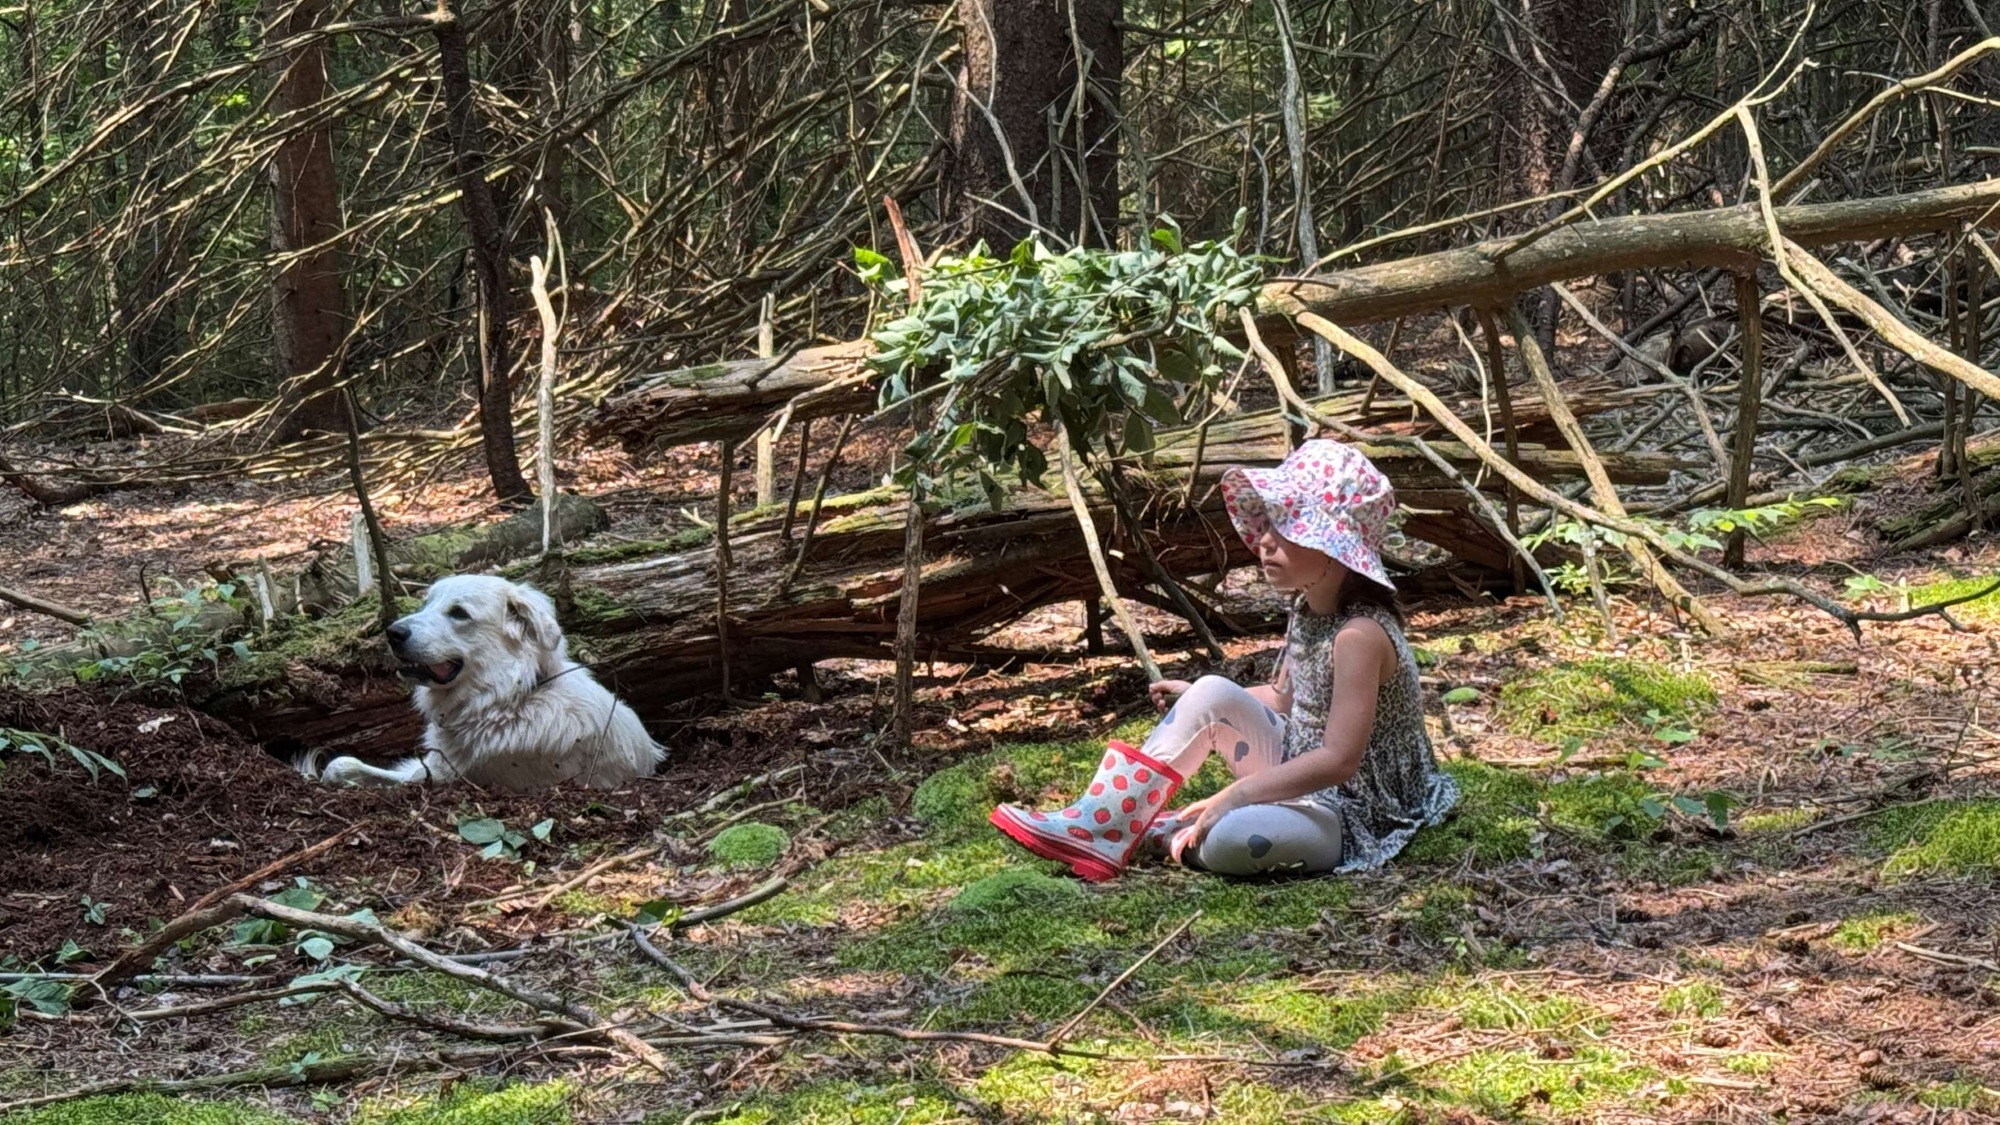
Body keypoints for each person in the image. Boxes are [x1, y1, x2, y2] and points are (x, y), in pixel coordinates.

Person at [989, 439, 1459, 880]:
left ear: (1334, 549)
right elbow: (1284, 697)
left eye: (1289, 529)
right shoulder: (1307, 607)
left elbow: (1339, 760)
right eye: (1269, 524)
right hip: (1301, 767)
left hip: (1359, 806)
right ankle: (1101, 823)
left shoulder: (1361, 635)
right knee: (1212, 688)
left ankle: (1163, 831)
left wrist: (1238, 794)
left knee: (1237, 838)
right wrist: (1200, 699)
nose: (1265, 542)